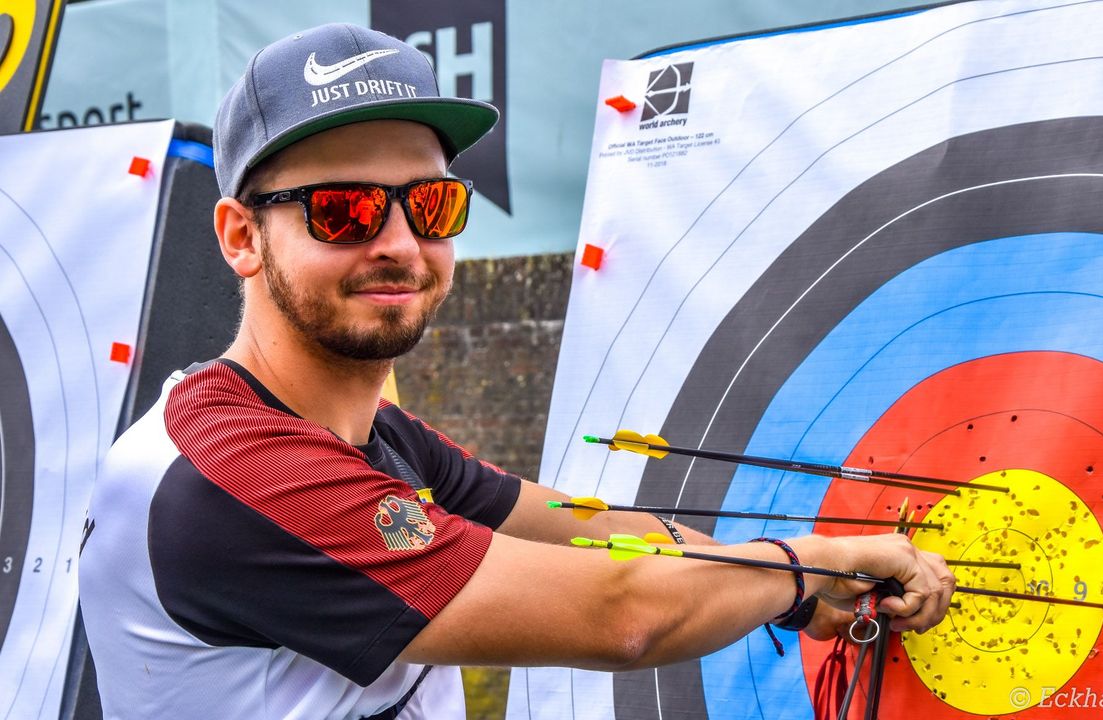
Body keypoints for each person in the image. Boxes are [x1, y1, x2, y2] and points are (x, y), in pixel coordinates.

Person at [78, 22, 954, 720]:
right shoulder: (231, 474)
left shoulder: (372, 435)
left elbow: (599, 532)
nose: (397, 243)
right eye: (340, 209)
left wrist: (797, 591)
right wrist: (804, 563)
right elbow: (622, 611)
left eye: (430, 204)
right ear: (241, 236)